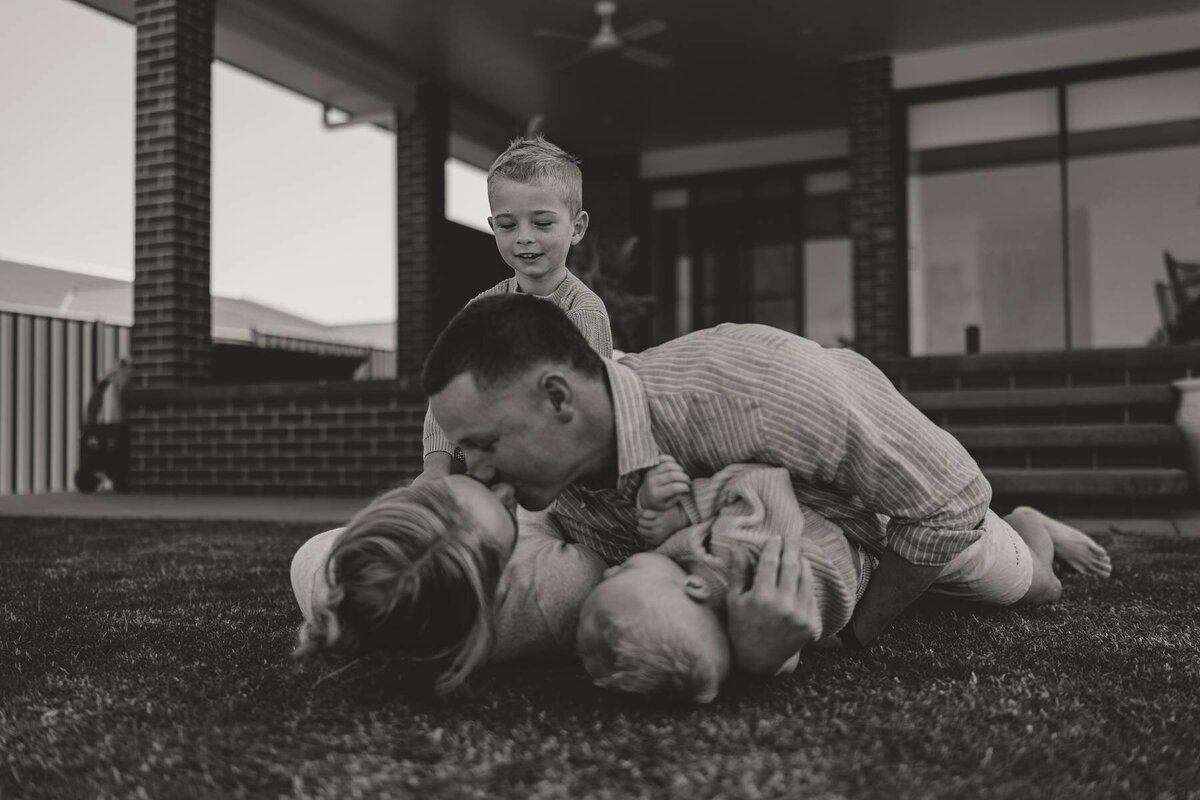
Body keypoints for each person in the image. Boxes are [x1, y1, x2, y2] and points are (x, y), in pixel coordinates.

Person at [424, 294, 1112, 675]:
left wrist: (855, 634)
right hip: (789, 553)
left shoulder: (763, 387)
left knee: (1036, 590)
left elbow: (951, 500)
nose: (474, 469)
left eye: (484, 444)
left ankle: (1034, 527)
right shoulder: (551, 475)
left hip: (885, 522)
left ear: (558, 398)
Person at [575, 457, 1091, 704]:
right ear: (692, 589)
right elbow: (764, 482)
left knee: (1027, 583)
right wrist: (685, 510)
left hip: (894, 527)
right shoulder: (739, 553)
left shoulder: (722, 623)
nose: (614, 566)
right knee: (1049, 588)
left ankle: (1022, 522)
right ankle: (1031, 522)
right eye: (624, 573)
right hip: (881, 544)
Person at [289, 474, 806, 693]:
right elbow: (667, 606)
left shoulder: (322, 570)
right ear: (496, 584)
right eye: (506, 516)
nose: (505, 489)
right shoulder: (562, 585)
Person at [418, 135, 613, 484]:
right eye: (508, 225)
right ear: (493, 227)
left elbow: (586, 415)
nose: (524, 237)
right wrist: (436, 466)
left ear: (577, 228)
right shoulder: (481, 310)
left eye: (542, 223)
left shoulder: (583, 313)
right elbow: (446, 391)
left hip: (552, 477)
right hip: (476, 467)